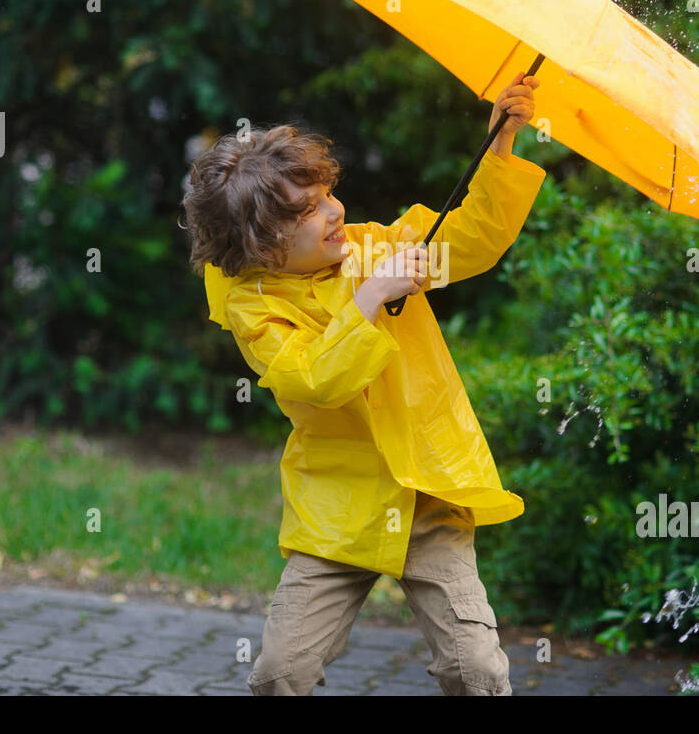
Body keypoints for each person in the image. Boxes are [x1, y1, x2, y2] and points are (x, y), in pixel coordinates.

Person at [181, 73, 545, 695]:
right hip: (338, 506)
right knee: (281, 672)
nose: (336, 211)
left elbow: (469, 240)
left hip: (428, 493)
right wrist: (370, 300)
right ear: (264, 245)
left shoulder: (376, 251)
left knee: (475, 669)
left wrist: (500, 147)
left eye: (328, 194)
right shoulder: (253, 307)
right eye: (311, 209)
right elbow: (313, 380)